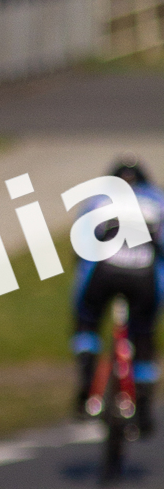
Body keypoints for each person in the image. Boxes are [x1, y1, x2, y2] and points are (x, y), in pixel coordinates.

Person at [72, 158, 162, 434]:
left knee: (86, 318)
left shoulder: (99, 199)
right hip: (144, 274)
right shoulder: (157, 200)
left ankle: (87, 383)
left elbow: (81, 247)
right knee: (144, 333)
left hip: (104, 271)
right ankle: (144, 404)